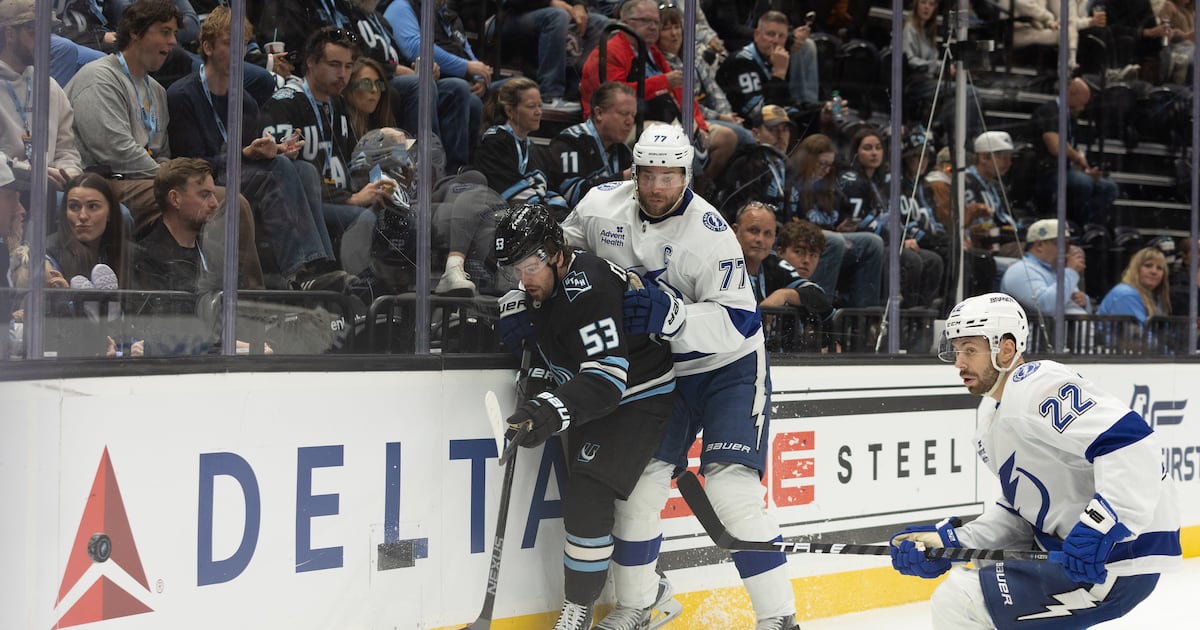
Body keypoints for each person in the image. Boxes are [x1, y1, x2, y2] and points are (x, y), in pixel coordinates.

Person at [562, 124, 799, 630]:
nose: (656, 187)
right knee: (639, 490)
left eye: (669, 176)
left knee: (732, 493)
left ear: (687, 176)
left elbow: (739, 321)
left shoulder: (709, 235)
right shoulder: (601, 204)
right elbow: (561, 253)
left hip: (725, 370)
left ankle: (778, 618)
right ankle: (638, 606)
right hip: (661, 374)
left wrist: (673, 317)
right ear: (633, 171)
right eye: (647, 174)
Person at [889, 291, 1181, 629]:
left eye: (970, 349)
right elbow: (1021, 516)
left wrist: (1099, 526)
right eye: (956, 350)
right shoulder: (990, 418)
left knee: (963, 602)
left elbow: (1129, 443)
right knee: (974, 591)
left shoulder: (1036, 384)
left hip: (1114, 564)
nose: (959, 362)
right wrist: (952, 543)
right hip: (1075, 561)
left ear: (1006, 349)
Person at [493, 203, 678, 630]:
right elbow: (565, 355)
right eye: (514, 271)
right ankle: (652, 589)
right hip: (598, 398)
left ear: (558, 252)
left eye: (531, 266)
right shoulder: (540, 289)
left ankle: (578, 610)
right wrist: (540, 382)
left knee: (589, 494)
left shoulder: (588, 288)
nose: (523, 280)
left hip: (639, 396)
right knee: (592, 500)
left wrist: (548, 410)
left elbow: (607, 381)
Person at [64, 0, 265, 290]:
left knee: (226, 202)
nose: (173, 42)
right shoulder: (99, 78)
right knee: (227, 203)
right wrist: (170, 176)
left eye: (173, 33)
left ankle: (217, 290)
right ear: (135, 32)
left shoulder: (156, 90)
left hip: (144, 180)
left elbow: (162, 152)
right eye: (165, 32)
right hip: (106, 183)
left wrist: (172, 174)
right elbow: (115, 150)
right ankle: (248, 295)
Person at [166, 6, 354, 291]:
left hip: (238, 176)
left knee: (302, 168)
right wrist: (245, 154)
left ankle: (320, 265)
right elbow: (190, 165)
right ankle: (301, 272)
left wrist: (275, 149)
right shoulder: (182, 95)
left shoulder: (246, 101)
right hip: (204, 181)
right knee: (278, 170)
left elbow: (251, 154)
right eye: (230, 43)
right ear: (207, 46)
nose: (238, 52)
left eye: (242, 45)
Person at [258, 26, 383, 266]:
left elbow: (349, 163)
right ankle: (355, 292)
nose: (343, 74)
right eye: (334, 64)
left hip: (343, 199)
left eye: (348, 66)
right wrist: (351, 200)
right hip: (309, 210)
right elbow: (283, 176)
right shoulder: (285, 104)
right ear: (312, 62)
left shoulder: (338, 106)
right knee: (363, 218)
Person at [579, 0, 736, 181]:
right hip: (623, 121)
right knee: (671, 135)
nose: (653, 27)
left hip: (663, 119)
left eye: (656, 22)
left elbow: (681, 94)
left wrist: (700, 125)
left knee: (726, 138)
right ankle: (677, 193)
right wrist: (661, 82)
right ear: (626, 23)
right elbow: (614, 98)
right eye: (646, 21)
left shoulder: (653, 52)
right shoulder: (611, 51)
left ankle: (699, 191)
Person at [790, 132, 883, 308]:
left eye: (829, 165)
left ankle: (864, 320)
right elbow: (790, 225)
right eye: (821, 164)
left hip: (832, 237)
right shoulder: (793, 184)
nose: (825, 170)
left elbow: (843, 214)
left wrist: (845, 225)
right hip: (806, 239)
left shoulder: (828, 185)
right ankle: (818, 311)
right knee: (834, 241)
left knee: (873, 243)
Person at [0, 0, 85, 192]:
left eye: (47, 31)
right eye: (34, 31)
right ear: (10, 33)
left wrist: (69, 173)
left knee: (114, 212)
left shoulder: (49, 86)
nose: (44, 40)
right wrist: (32, 172)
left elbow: (66, 149)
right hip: (8, 188)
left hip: (53, 189)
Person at [1031, 78, 1119, 229]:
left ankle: (1089, 226)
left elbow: (1070, 153)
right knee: (1082, 183)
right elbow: (1055, 146)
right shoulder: (1049, 111)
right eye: (1083, 102)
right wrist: (1078, 158)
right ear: (1071, 94)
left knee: (1108, 188)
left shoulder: (1071, 119)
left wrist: (1086, 170)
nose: (1083, 108)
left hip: (1067, 170)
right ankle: (1073, 225)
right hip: (1046, 172)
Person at [474, 78, 568, 217]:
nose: (538, 112)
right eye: (531, 106)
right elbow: (511, 194)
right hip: (502, 222)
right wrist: (552, 216)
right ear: (510, 111)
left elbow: (549, 191)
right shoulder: (494, 141)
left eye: (540, 106)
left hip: (537, 217)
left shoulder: (536, 149)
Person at [497, 0, 611, 113]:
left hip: (554, 11)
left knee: (601, 22)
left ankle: (576, 92)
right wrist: (549, 2)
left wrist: (579, 5)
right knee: (558, 16)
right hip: (511, 15)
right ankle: (550, 95)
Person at [547, 81, 636, 207]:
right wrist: (624, 176)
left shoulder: (624, 152)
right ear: (599, 113)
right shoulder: (570, 141)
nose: (630, 122)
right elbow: (574, 195)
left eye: (633, 115)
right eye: (623, 114)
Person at [1001, 218, 1090, 316]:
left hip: (1078, 329)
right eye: (1062, 244)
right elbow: (1047, 307)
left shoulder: (1060, 271)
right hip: (1045, 330)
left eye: (1068, 244)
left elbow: (1081, 310)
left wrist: (1084, 301)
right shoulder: (1020, 270)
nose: (1067, 250)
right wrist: (1071, 272)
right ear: (1039, 245)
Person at [715, 10, 791, 124]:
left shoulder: (778, 59)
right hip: (743, 126)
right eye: (770, 34)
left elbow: (787, 102)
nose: (776, 41)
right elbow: (758, 114)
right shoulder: (741, 61)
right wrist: (779, 74)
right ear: (756, 35)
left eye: (781, 36)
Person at [1097, 246, 1171, 326]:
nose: (1154, 271)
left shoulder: (1155, 297)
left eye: (1159, 268)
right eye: (1148, 265)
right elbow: (1139, 335)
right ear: (1136, 269)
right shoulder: (1126, 294)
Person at [343, 57, 395, 138]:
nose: (374, 90)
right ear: (349, 87)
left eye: (378, 84)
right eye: (366, 83)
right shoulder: (341, 127)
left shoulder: (382, 125)